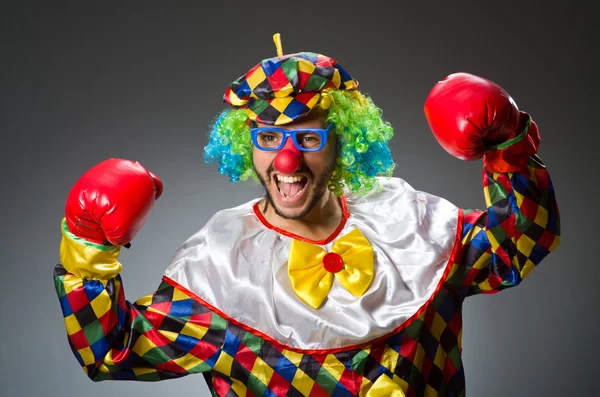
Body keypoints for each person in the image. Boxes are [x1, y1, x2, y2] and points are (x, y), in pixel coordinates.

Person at [54, 34, 560, 397]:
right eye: (268, 139)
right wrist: (87, 248)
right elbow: (112, 351)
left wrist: (508, 148)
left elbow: (520, 243)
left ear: (344, 143)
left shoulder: (411, 224)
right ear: (245, 146)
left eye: (308, 138)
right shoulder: (218, 269)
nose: (287, 162)